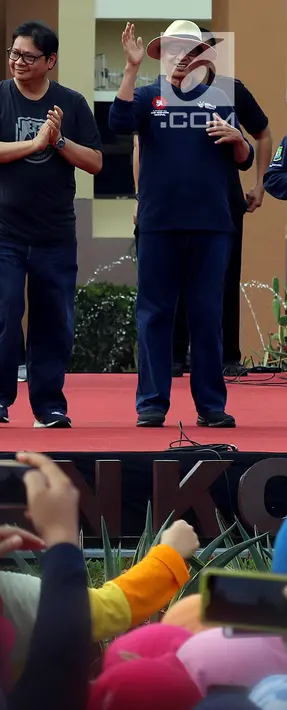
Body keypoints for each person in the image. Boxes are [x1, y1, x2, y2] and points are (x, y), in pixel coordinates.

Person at [110, 21, 250, 428]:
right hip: (158, 223)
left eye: (189, 51)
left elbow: (241, 157)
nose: (180, 58)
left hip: (212, 224)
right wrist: (131, 69)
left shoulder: (222, 97)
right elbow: (118, 124)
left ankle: (211, 405)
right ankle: (152, 403)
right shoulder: (148, 96)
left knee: (207, 315)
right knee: (154, 313)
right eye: (172, 51)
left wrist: (238, 140)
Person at [0, 20, 103, 428]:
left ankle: (49, 404)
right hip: (0, 228)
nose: (18, 62)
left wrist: (59, 141)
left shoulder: (72, 103)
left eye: (28, 56)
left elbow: (95, 161)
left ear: (50, 61)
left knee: (53, 316)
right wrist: (34, 143)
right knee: (4, 307)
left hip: (53, 231)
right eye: (14, 54)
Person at [151, 26, 275, 377]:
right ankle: (174, 357)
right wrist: (139, 195)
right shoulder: (158, 94)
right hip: (169, 205)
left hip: (222, 202)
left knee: (222, 278)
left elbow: (262, 133)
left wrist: (260, 185)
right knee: (171, 281)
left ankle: (226, 357)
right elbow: (138, 146)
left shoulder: (230, 91)